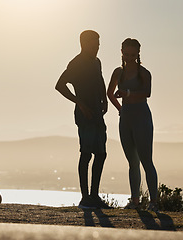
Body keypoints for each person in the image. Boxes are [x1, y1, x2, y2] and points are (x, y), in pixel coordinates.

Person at [55, 30, 111, 209]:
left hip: (97, 114)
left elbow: (100, 79)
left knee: (101, 154)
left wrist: (105, 99)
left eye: (99, 44)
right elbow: (60, 85)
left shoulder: (97, 62)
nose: (98, 47)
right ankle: (85, 197)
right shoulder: (76, 63)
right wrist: (80, 103)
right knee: (86, 154)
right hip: (84, 115)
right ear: (84, 44)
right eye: (95, 44)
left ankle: (94, 196)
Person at [107, 38, 158, 212]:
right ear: (121, 52)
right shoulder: (117, 72)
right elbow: (109, 93)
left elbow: (147, 93)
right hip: (126, 118)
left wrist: (127, 93)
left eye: (133, 55)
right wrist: (120, 108)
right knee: (132, 162)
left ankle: (153, 202)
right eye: (126, 54)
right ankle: (134, 200)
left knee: (146, 161)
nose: (129, 58)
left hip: (142, 117)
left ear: (138, 54)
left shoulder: (144, 73)